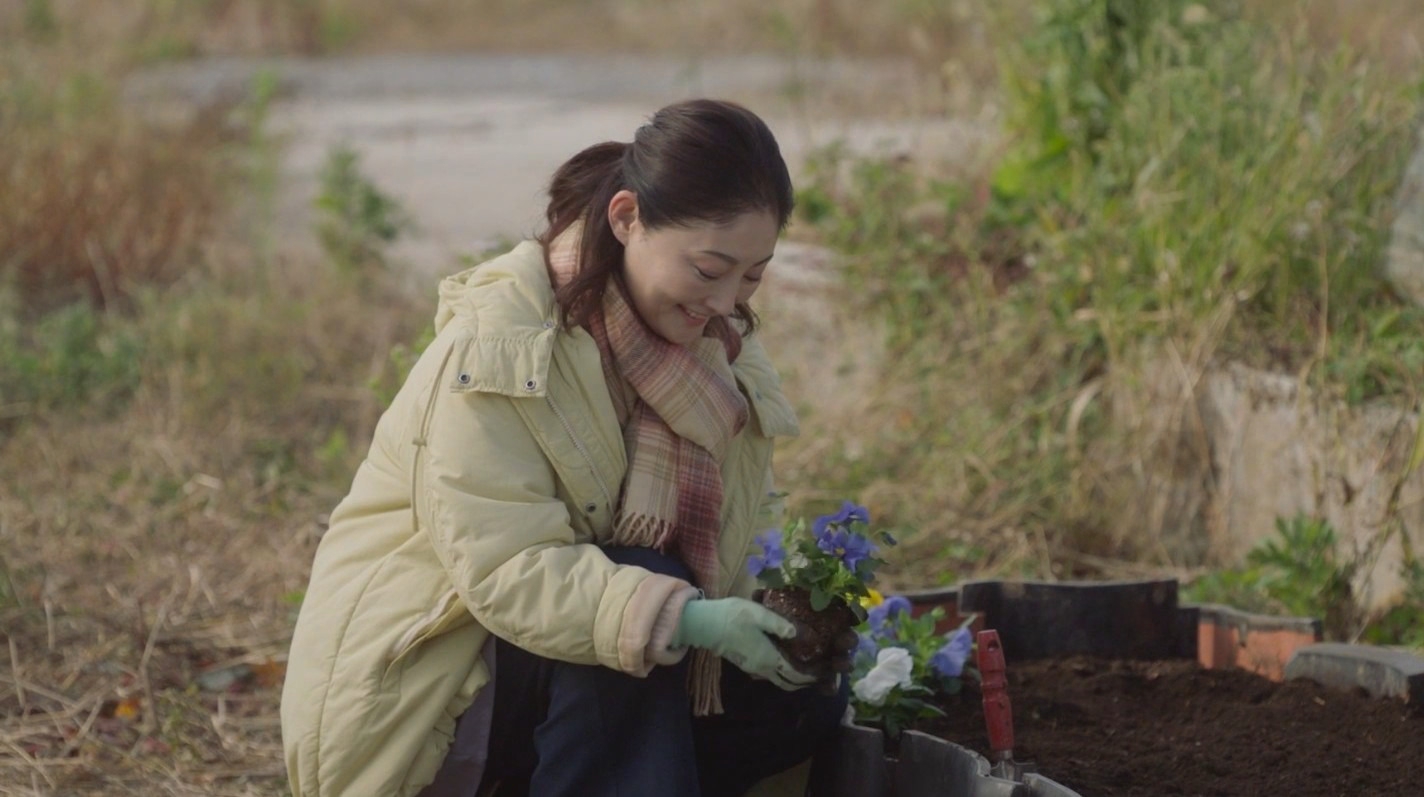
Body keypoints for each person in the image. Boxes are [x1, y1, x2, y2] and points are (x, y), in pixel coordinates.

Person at [279, 99, 851, 797]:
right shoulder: (499, 346)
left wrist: (785, 617)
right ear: (625, 218)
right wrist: (689, 616)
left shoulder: (716, 350)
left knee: (799, 696)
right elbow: (510, 569)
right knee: (637, 604)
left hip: (571, 688)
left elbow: (746, 521)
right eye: (709, 269)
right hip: (439, 700)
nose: (728, 302)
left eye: (753, 276)